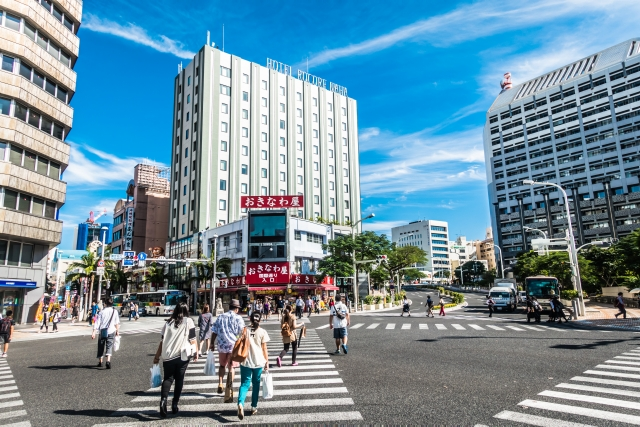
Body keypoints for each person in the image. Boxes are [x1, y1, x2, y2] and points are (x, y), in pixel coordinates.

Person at [153, 302, 198, 417]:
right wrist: (196, 352)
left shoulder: (168, 323)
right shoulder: (188, 321)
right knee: (179, 379)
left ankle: (163, 401)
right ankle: (174, 404)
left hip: (168, 356)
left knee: (168, 379)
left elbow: (162, 342)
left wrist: (157, 356)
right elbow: (193, 339)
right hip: (182, 355)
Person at [210, 299, 245, 403]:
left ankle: (220, 382)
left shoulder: (221, 317)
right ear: (237, 309)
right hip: (233, 346)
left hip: (221, 345)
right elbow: (242, 332)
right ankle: (228, 387)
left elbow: (214, 331)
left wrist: (212, 343)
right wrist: (237, 338)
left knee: (222, 365)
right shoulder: (238, 318)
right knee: (231, 367)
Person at [237, 312, 269, 420]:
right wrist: (267, 362)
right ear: (259, 320)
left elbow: (237, 340)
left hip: (245, 360)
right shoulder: (262, 332)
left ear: (250, 319)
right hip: (258, 362)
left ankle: (240, 403)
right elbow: (264, 349)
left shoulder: (244, 330)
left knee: (245, 384)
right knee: (256, 384)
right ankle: (253, 406)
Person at [91, 298, 120, 369]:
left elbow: (97, 323)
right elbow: (116, 322)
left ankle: (100, 362)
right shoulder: (115, 311)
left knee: (101, 346)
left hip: (103, 331)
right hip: (111, 330)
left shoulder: (102, 312)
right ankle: (108, 361)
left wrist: (94, 332)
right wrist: (117, 331)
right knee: (109, 345)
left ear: (105, 304)